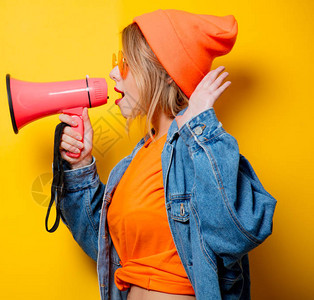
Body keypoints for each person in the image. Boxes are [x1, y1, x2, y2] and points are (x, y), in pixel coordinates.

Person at [56, 9, 276, 300]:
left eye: (124, 63)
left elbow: (237, 232)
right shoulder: (133, 163)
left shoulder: (200, 149)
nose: (112, 73)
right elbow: (103, 247)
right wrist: (80, 166)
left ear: (166, 75)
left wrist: (201, 128)